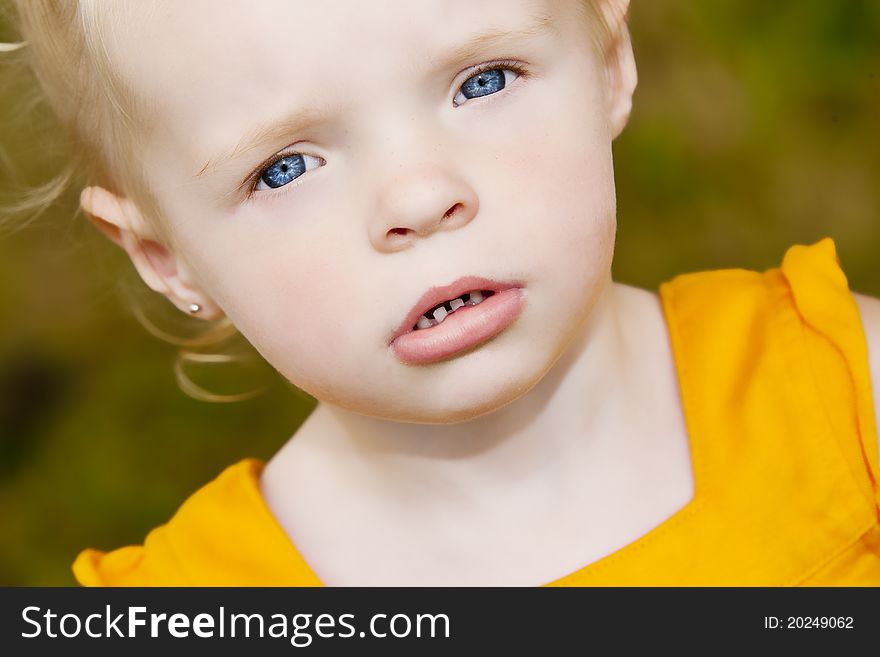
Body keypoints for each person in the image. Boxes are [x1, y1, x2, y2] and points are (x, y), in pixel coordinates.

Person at [3, 0, 879, 586]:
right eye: (285, 168)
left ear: (610, 58)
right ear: (168, 256)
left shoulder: (845, 397)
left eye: (483, 80)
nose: (419, 199)